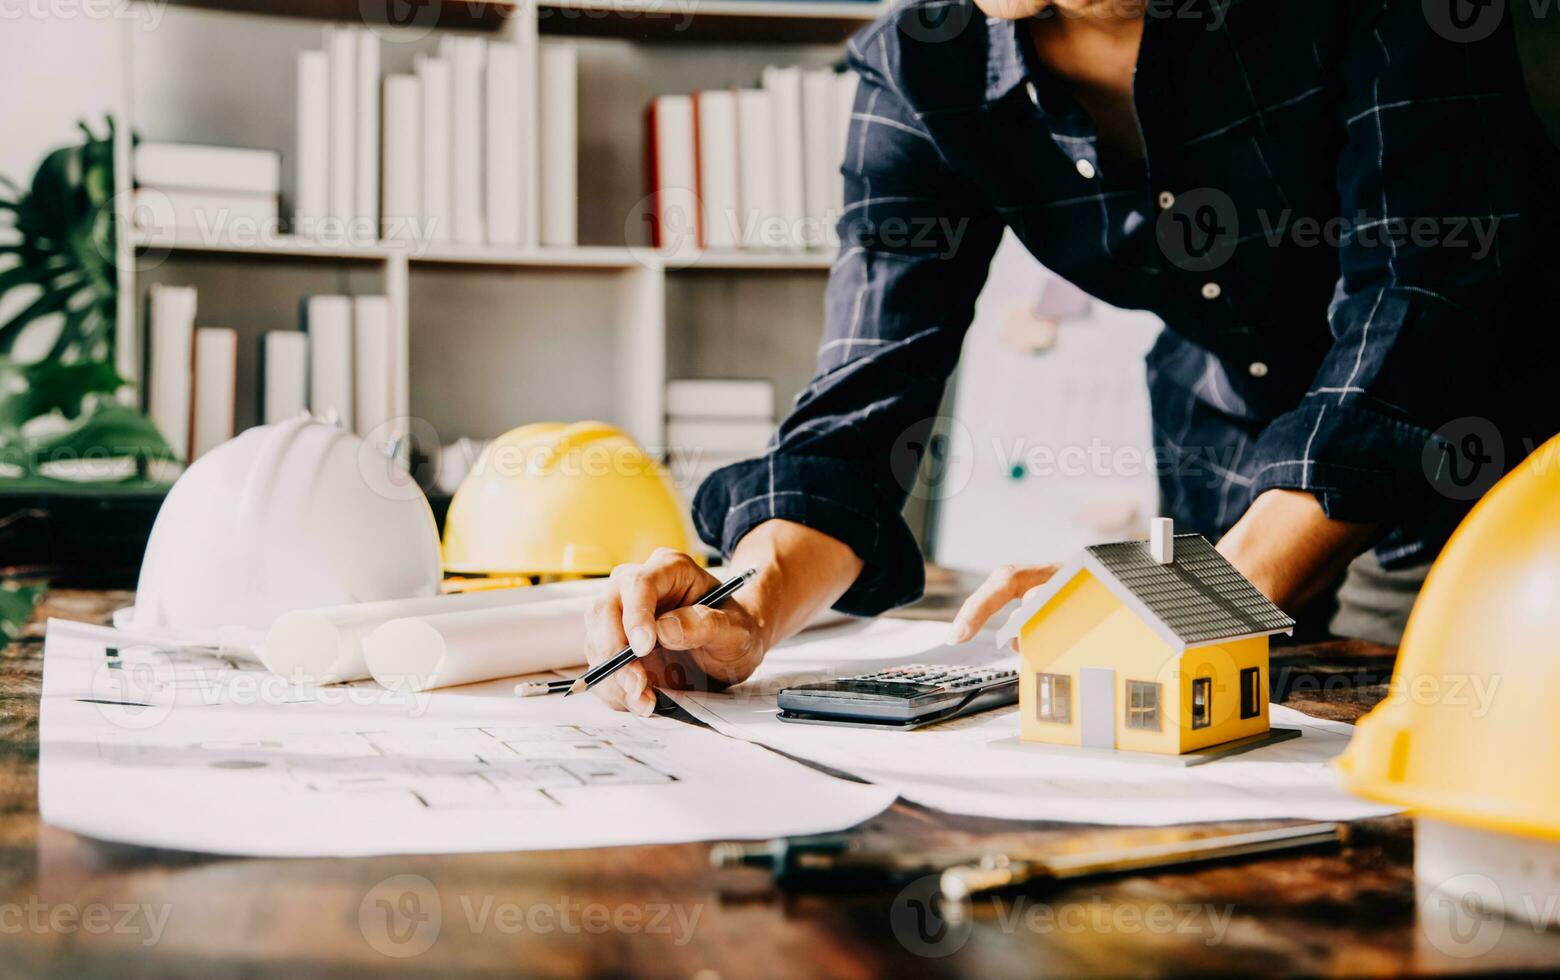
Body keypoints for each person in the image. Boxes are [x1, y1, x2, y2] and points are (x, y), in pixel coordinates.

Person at [586, 0, 1560, 715]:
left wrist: (1185, 603)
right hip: (1228, 470)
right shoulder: (926, 62)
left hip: (1507, 477)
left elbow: (1423, 300)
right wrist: (746, 601)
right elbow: (859, 410)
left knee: (1464, 766)